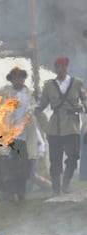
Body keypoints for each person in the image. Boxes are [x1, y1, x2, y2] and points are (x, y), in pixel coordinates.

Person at [35, 56, 87, 195]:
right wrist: (46, 125)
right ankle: (56, 189)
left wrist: (81, 107)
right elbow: (39, 108)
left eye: (62, 66)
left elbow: (85, 99)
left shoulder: (77, 83)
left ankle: (66, 184)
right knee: (55, 159)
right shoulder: (49, 85)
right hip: (55, 127)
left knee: (74, 155)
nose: (59, 69)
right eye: (57, 67)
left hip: (72, 126)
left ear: (66, 67)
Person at [0, 67, 44, 202]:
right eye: (15, 77)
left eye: (20, 77)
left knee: (24, 168)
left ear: (23, 79)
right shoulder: (5, 92)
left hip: (24, 138)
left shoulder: (29, 94)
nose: (18, 80)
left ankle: (21, 192)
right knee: (8, 167)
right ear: (12, 79)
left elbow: (34, 111)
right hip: (8, 137)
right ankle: (11, 194)